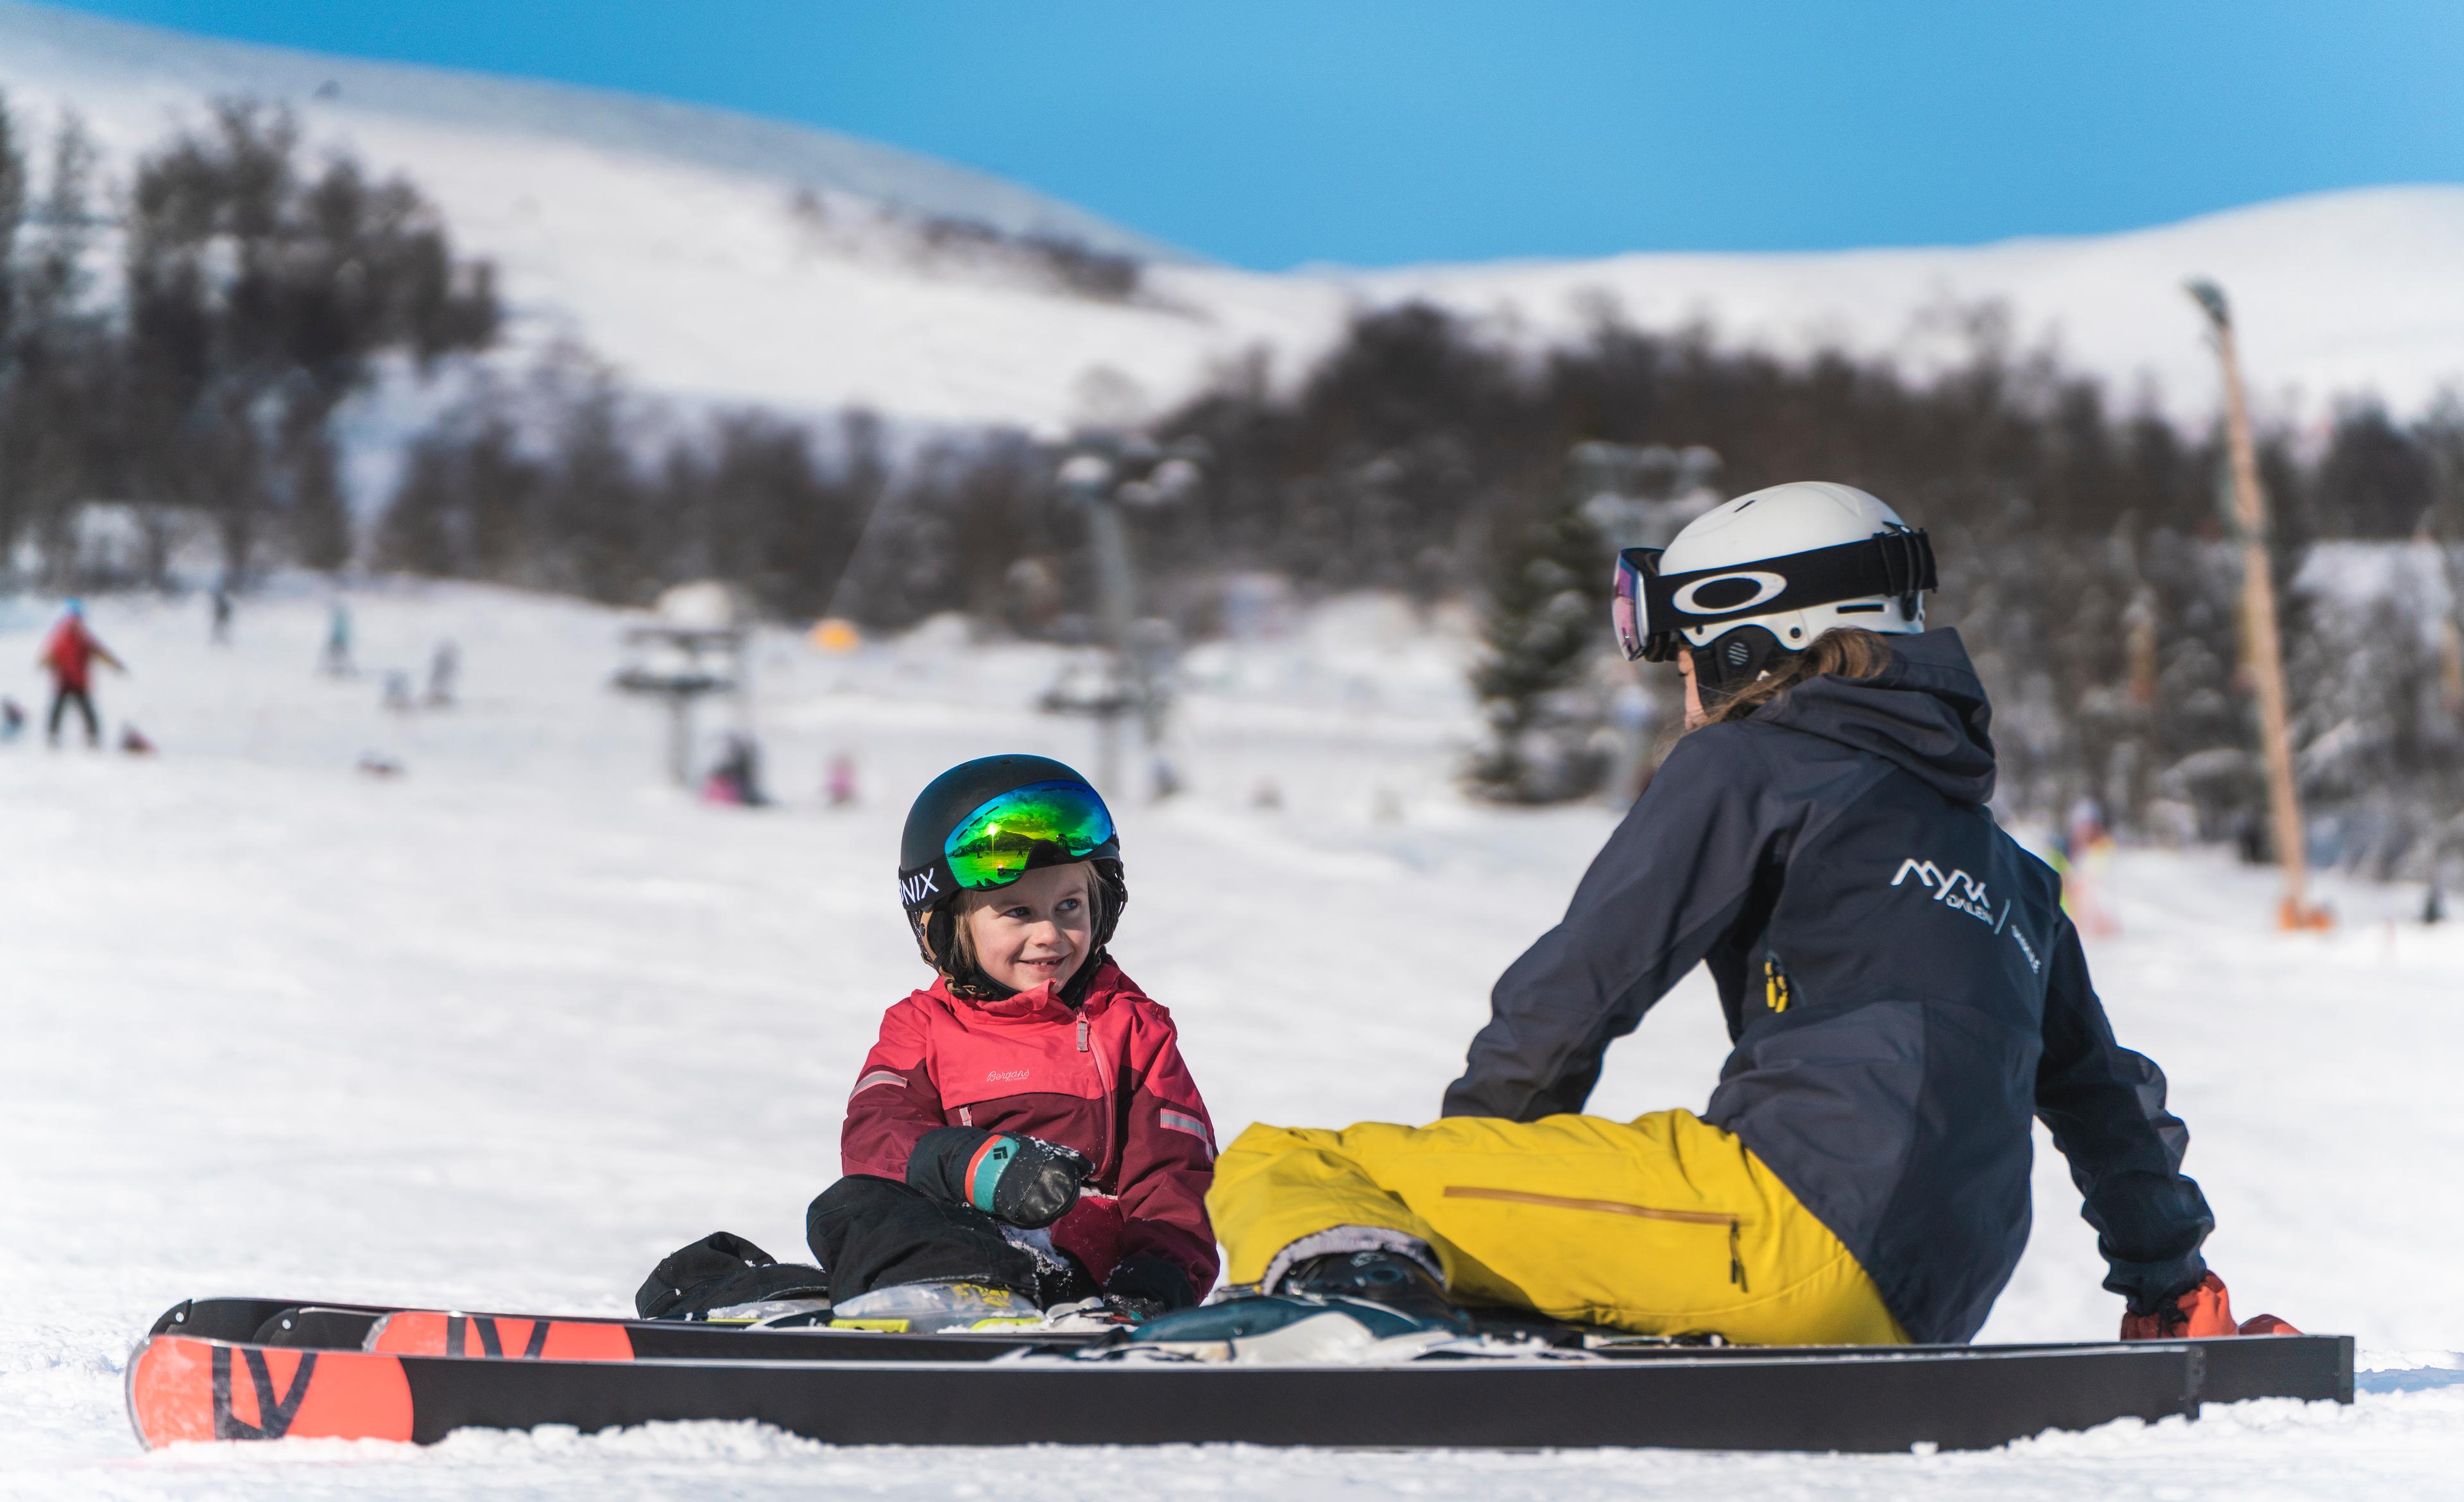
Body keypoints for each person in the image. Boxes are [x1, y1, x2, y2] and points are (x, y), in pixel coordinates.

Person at [1208, 481, 2289, 1346]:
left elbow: (1583, 983)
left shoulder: (1747, 761)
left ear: (1748, 635)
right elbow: (2104, 1100)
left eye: (1681, 649)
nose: (1675, 680)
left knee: (1289, 1162)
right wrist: (2171, 1287)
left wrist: (1452, 1195)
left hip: (1790, 1231)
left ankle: (1365, 1299)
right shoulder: (2009, 869)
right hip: (1936, 1295)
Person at [807, 754, 1218, 1327]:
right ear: (944, 925)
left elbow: (1173, 1175)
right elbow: (876, 1133)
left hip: (1082, 1273)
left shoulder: (1129, 1029)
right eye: (1018, 912)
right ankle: (892, 1306)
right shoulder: (921, 1026)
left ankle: (1008, 1307)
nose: (1049, 934)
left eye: (1068, 906)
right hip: (953, 1248)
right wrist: (968, 1162)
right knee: (846, 1207)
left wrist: (1154, 1280)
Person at [37, 600, 124, 749]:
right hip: (66, 681)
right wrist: (45, 663)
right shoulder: (63, 635)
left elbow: (97, 651)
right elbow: (51, 654)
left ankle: (91, 736)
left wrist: (114, 663)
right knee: (61, 710)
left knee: (85, 710)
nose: (76, 621)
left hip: (78, 681)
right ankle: (54, 735)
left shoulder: (80, 636)